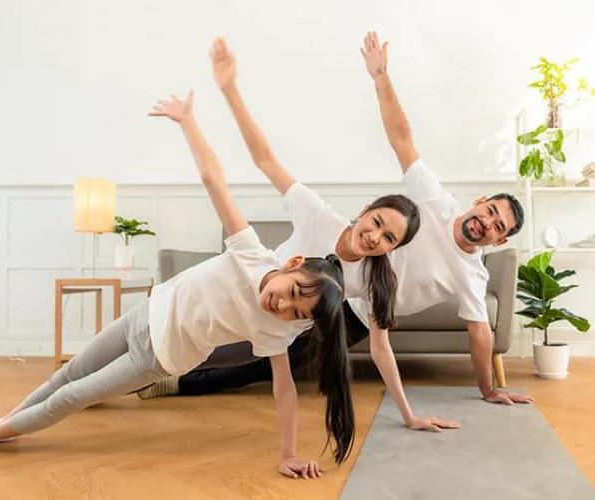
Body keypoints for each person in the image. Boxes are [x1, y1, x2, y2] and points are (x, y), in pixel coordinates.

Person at [0, 91, 352, 479]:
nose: (282, 307)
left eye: (296, 314)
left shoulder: (279, 330)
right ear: (292, 264)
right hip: (147, 313)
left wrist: (288, 453)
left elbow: (284, 388)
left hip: (161, 356)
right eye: (292, 293)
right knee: (66, 374)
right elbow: (212, 180)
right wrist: (188, 121)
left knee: (72, 397)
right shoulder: (251, 252)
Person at [141, 33, 533, 413]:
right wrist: (380, 77)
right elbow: (401, 138)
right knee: (239, 323)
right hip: (317, 278)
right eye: (490, 212)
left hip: (360, 312)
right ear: (480, 203)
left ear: (498, 242)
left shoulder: (471, 274)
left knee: (273, 358)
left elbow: (480, 332)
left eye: (498, 228)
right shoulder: (431, 199)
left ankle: (174, 382)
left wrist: (488, 390)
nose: (487, 224)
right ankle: (156, 342)